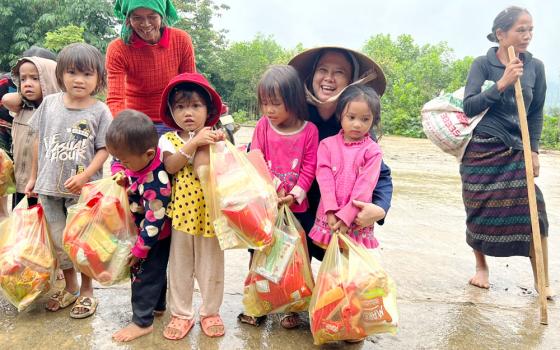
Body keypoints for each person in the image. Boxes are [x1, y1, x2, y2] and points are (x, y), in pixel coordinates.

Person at [462, 6, 553, 298]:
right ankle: (481, 268)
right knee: (479, 210)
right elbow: (469, 106)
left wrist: (534, 152)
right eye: (520, 30)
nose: (527, 36)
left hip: (517, 149)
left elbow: (536, 112)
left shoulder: (535, 67)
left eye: (530, 30)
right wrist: (502, 83)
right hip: (482, 151)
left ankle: (543, 279)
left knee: (535, 211)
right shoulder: (482, 64)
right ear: (501, 34)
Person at [25, 43, 112, 318]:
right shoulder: (49, 104)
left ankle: (87, 291)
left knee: (82, 243)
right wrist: (32, 176)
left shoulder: (100, 111)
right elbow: (38, 139)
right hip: (49, 188)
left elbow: (104, 148)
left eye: (87, 74)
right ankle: (70, 287)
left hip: (83, 192)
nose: (79, 80)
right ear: (61, 74)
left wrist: (86, 175)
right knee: (60, 242)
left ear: (99, 78)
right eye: (72, 72)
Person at [288, 47, 393, 262]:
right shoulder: (294, 117)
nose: (329, 78)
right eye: (323, 70)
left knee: (337, 288)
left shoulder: (359, 131)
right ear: (312, 75)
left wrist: (380, 209)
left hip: (341, 222)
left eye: (339, 72)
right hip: (293, 214)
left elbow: (380, 176)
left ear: (351, 82)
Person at [238, 65, 319, 329]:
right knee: (259, 254)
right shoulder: (263, 126)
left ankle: (290, 306)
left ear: (294, 100)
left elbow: (309, 167)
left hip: (296, 208)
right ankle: (257, 303)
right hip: (265, 207)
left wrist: (294, 195)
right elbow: (256, 159)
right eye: (264, 103)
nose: (269, 110)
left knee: (295, 257)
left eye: (275, 104)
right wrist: (272, 189)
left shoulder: (309, 131)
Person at [158, 73, 226, 339]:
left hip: (212, 215)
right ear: (171, 111)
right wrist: (194, 142)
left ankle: (210, 312)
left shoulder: (216, 138)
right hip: (181, 217)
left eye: (195, 106)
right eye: (181, 107)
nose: (188, 113)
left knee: (212, 267)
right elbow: (171, 166)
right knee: (180, 268)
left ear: (207, 110)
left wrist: (213, 142)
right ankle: (181, 314)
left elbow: (226, 170)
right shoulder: (167, 140)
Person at [106, 110, 172, 342]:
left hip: (153, 236)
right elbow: (117, 165)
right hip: (145, 231)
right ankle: (158, 306)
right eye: (117, 158)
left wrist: (140, 249)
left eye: (125, 160)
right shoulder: (137, 162)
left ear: (149, 154)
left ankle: (141, 322)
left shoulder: (156, 181)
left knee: (142, 275)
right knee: (156, 273)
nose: (120, 163)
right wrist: (120, 171)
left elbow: (155, 219)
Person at [309, 84, 383, 250]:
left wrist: (347, 216)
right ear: (340, 115)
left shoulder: (372, 151)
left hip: (356, 219)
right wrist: (330, 210)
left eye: (365, 119)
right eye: (351, 117)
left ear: (373, 120)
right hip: (329, 216)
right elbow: (324, 179)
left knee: (349, 268)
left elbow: (365, 186)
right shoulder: (327, 145)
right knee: (328, 267)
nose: (357, 124)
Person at [106, 0, 196, 135]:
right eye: (137, 18)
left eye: (152, 17)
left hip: (175, 119)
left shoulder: (181, 40)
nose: (146, 24)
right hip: (136, 123)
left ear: (162, 16)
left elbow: (190, 85)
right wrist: (123, 131)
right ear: (128, 20)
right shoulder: (118, 49)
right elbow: (115, 99)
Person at [1, 56, 60, 209]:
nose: (28, 83)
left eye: (35, 78)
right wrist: (23, 94)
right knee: (22, 221)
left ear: (49, 80)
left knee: (45, 223)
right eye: (23, 79)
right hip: (22, 181)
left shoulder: (57, 111)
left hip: (45, 183)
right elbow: (6, 99)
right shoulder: (22, 108)